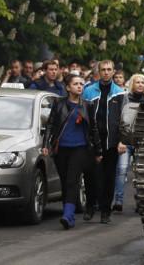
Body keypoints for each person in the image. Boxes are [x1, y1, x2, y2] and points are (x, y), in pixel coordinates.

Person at [41, 74, 101, 229]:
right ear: (68, 87)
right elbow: (51, 124)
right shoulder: (59, 103)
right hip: (61, 149)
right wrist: (45, 144)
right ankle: (70, 214)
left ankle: (67, 215)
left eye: (81, 84)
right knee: (65, 181)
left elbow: (93, 128)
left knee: (71, 181)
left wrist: (98, 151)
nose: (80, 86)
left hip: (80, 148)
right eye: (75, 84)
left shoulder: (87, 105)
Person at [93, 70, 128, 224]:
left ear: (112, 72)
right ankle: (95, 203)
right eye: (103, 70)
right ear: (99, 72)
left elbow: (125, 118)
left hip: (112, 141)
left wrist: (122, 140)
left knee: (111, 175)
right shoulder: (90, 91)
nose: (106, 73)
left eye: (109, 70)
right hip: (95, 141)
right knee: (95, 176)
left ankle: (106, 209)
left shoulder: (120, 93)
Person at [113, 74, 144, 212]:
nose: (140, 85)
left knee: (140, 173)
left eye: (142, 82)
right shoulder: (125, 99)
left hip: (141, 141)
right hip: (126, 140)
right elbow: (120, 120)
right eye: (137, 82)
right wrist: (120, 140)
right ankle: (118, 201)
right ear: (132, 84)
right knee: (122, 170)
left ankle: (140, 202)